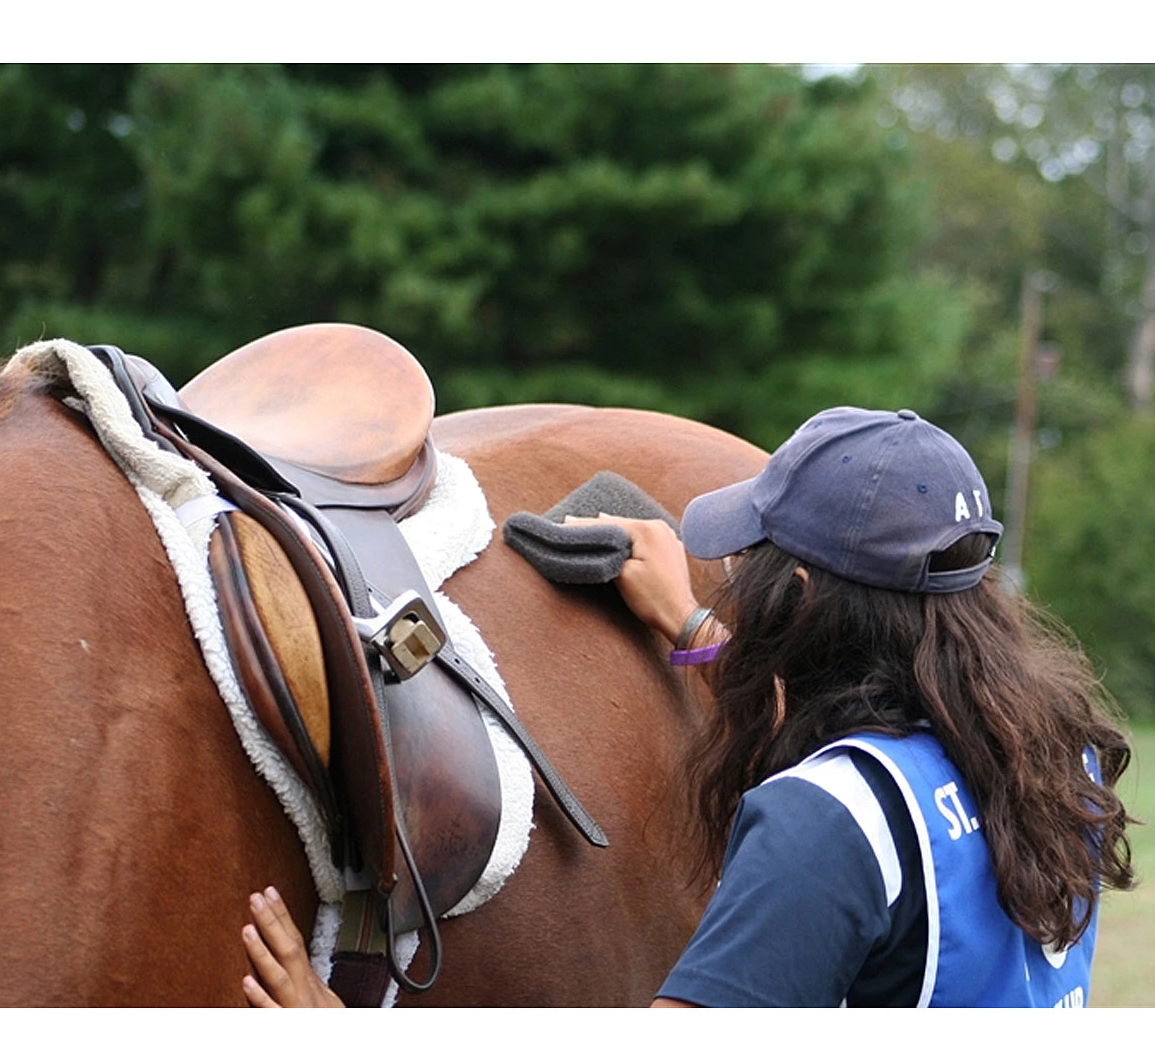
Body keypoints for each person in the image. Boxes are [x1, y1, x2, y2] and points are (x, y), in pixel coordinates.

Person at [241, 406, 1134, 1007]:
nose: (735, 574)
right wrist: (696, 625)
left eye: (751, 561)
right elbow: (892, 805)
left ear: (803, 592)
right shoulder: (1056, 761)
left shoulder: (823, 829)